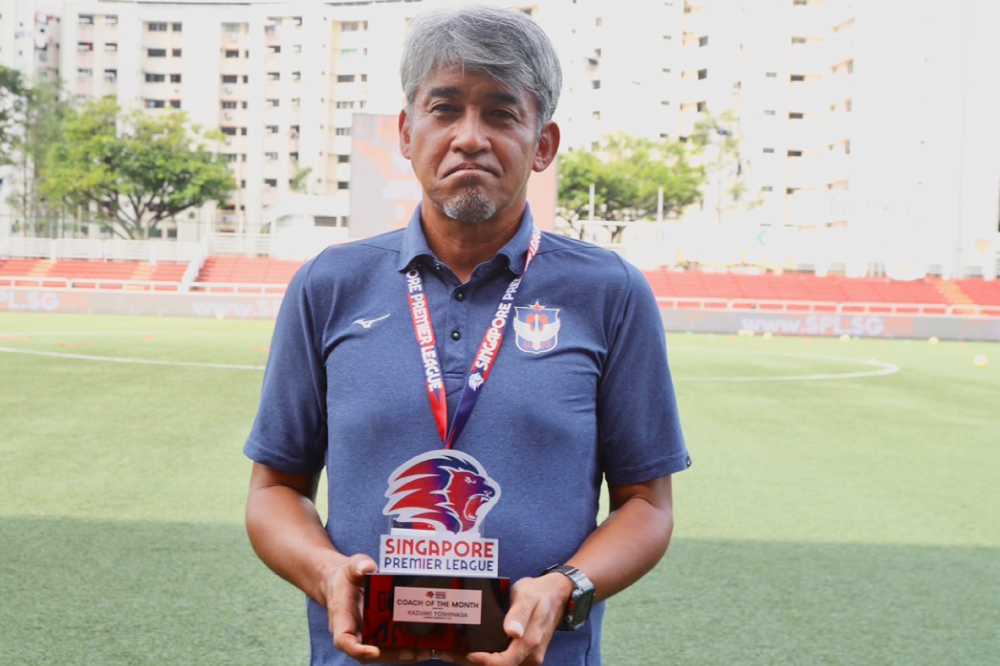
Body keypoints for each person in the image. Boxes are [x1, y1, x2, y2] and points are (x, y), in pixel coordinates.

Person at [244, 5, 690, 666]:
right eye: (445, 109)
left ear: (544, 144)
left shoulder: (610, 292)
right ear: (407, 131)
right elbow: (275, 490)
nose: (470, 137)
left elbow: (646, 506)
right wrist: (325, 571)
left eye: (501, 113)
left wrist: (566, 589)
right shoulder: (329, 284)